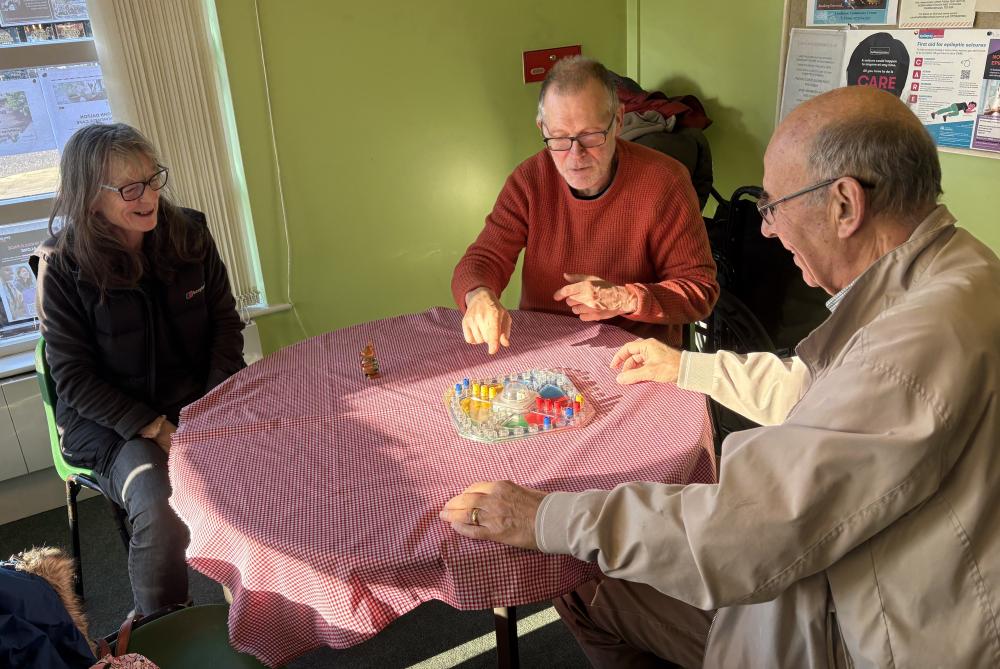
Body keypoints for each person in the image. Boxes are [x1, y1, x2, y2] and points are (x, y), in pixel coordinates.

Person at [440, 85, 1000, 667]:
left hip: (865, 636)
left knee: (582, 578)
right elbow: (824, 391)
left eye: (772, 206)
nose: (765, 231)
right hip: (901, 584)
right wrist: (686, 365)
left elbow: (744, 533)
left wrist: (543, 516)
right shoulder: (963, 270)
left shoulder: (913, 345)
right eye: (558, 140)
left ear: (844, 205)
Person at [31, 123, 246, 616]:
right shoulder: (61, 267)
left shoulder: (190, 234)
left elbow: (225, 328)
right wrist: (153, 427)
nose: (149, 196)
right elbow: (75, 380)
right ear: (89, 199)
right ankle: (163, 626)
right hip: (108, 422)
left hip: (192, 400)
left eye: (153, 179)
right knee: (159, 499)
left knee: (268, 457)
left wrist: (208, 409)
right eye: (130, 188)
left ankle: (273, 597)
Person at [452, 56, 717, 354]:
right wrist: (479, 295)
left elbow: (700, 290)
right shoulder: (529, 180)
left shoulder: (665, 181)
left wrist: (624, 298)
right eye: (560, 138)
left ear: (617, 121)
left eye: (591, 136)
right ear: (542, 127)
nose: (575, 155)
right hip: (544, 349)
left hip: (636, 355)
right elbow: (482, 260)